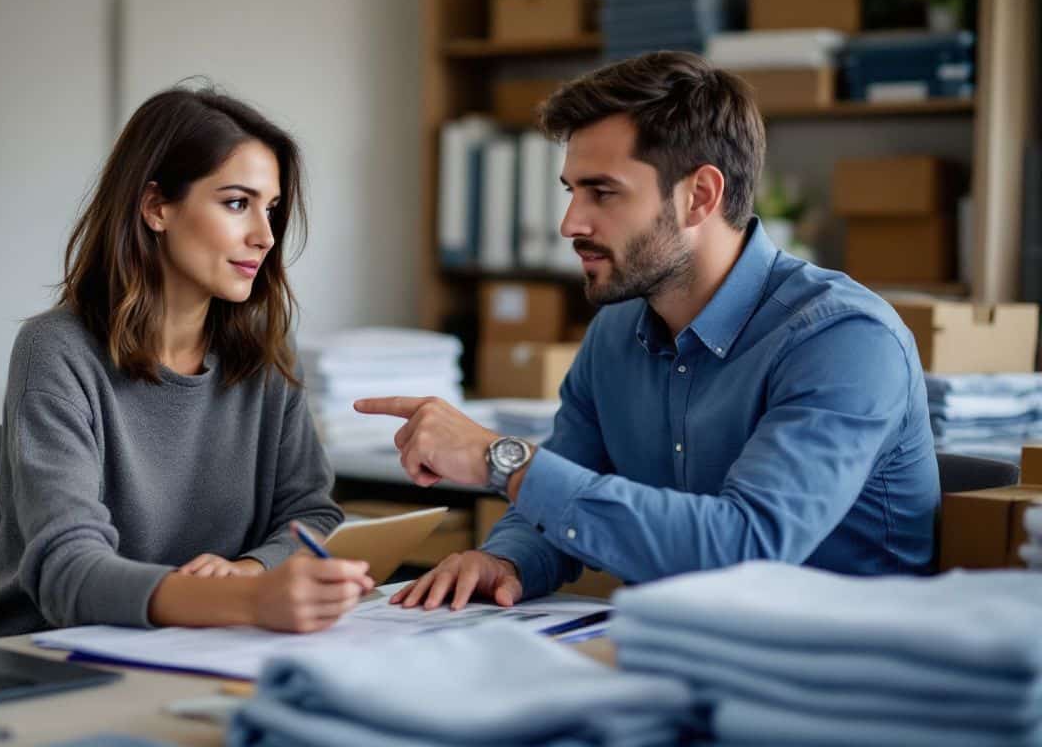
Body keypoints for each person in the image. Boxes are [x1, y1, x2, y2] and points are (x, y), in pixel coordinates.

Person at [356, 52, 938, 612]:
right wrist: (507, 561)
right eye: (571, 191)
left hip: (844, 682)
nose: (570, 223)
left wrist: (501, 459)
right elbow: (562, 500)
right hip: (677, 657)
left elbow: (747, 547)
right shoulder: (615, 332)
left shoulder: (843, 340)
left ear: (699, 197)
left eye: (602, 192)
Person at [0, 87, 372, 639]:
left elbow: (310, 515)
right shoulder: (56, 351)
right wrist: (241, 597)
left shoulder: (265, 352)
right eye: (236, 203)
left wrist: (249, 572)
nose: (265, 236)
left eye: (269, 208)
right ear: (156, 208)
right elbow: (69, 572)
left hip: (195, 646)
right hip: (39, 655)